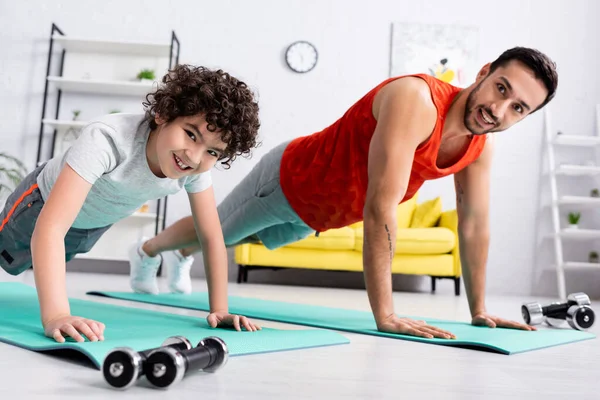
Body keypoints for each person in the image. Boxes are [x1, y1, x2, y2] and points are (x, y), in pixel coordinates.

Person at [131, 47, 558, 339]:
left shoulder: (479, 146)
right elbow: (382, 208)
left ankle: (180, 256)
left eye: (518, 107)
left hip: (319, 214)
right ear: (484, 73)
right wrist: (385, 315)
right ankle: (148, 250)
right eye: (502, 88)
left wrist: (479, 310)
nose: (499, 110)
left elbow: (474, 225)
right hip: (290, 180)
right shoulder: (417, 99)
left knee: (240, 237)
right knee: (219, 233)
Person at [0, 64, 262, 343]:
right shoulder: (106, 139)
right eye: (191, 134)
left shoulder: (195, 170)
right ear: (163, 114)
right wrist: (56, 316)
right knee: (6, 254)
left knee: (30, 265)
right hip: (41, 203)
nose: (195, 157)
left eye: (212, 151)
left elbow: (211, 237)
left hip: (91, 224)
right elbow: (51, 226)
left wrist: (220, 310)